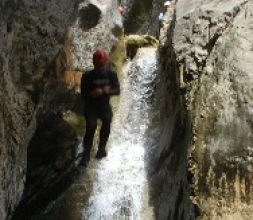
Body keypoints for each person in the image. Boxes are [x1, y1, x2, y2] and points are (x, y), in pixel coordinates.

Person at [80, 49, 120, 166]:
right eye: (98, 66)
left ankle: (101, 148)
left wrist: (108, 91)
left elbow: (117, 90)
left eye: (102, 65)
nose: (101, 68)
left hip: (104, 106)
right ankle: (86, 154)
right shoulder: (87, 76)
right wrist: (92, 93)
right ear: (94, 64)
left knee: (107, 120)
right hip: (91, 106)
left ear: (106, 63)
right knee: (91, 126)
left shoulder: (111, 75)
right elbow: (83, 95)